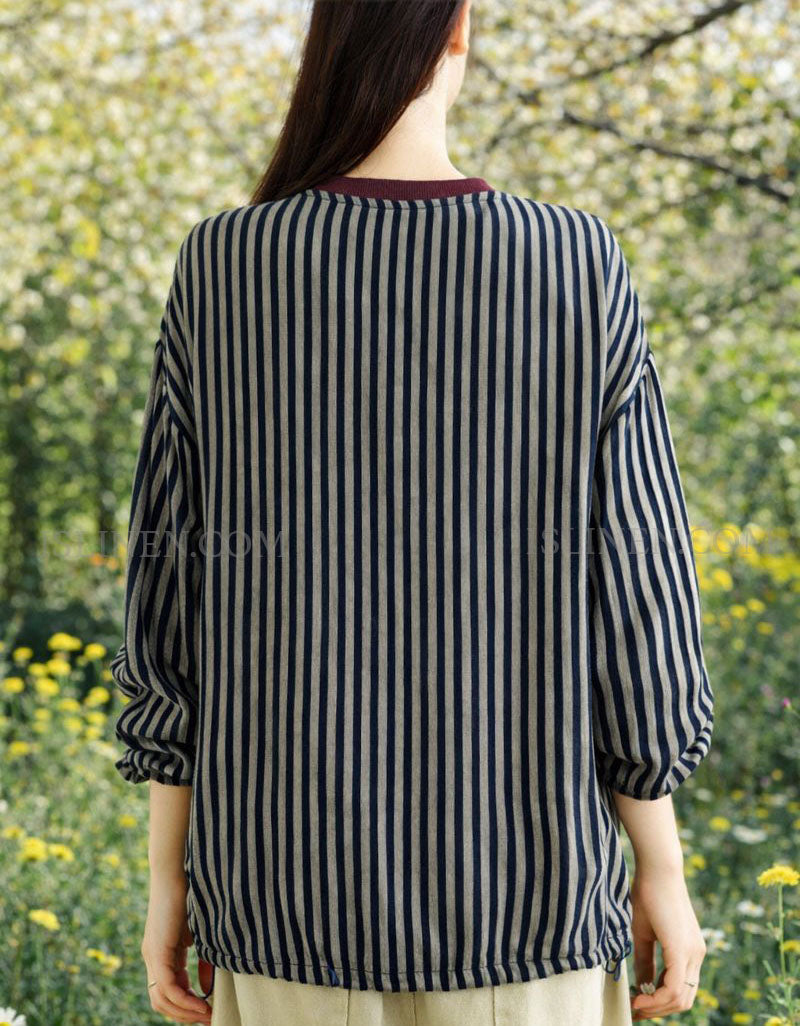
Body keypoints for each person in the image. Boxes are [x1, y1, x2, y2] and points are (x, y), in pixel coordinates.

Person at [109, 1, 715, 1024]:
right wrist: (659, 861)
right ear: (459, 31)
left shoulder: (224, 267)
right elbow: (637, 588)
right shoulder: (572, 261)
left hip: (278, 895)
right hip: (527, 900)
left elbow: (170, 593)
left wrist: (169, 877)